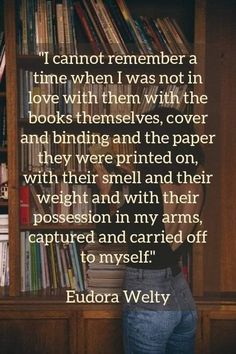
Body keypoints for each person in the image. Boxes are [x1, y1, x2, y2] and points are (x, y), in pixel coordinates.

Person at [93, 106, 205, 354]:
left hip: (149, 295)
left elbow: (107, 234)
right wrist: (135, 177)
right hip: (181, 294)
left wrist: (106, 192)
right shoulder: (196, 185)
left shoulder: (147, 189)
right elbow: (157, 220)